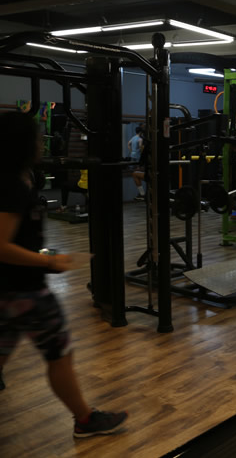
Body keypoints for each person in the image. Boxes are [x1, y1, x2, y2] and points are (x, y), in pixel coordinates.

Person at [0, 111, 128, 437]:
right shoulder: (10, 186)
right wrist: (49, 262)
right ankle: (85, 419)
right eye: (36, 139)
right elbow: (1, 246)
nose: (41, 144)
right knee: (60, 354)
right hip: (25, 293)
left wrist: (48, 255)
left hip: (11, 291)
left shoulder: (16, 180)